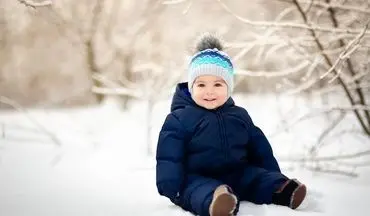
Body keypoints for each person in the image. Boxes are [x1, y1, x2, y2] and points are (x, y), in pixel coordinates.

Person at [155, 34, 307, 216]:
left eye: (218, 85)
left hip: (237, 174)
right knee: (200, 190)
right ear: (191, 87)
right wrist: (172, 187)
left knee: (256, 178)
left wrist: (272, 175)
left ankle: (283, 191)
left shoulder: (239, 115)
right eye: (201, 85)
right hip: (196, 178)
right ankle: (218, 202)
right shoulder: (179, 119)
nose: (209, 91)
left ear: (229, 87)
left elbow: (260, 149)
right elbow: (169, 157)